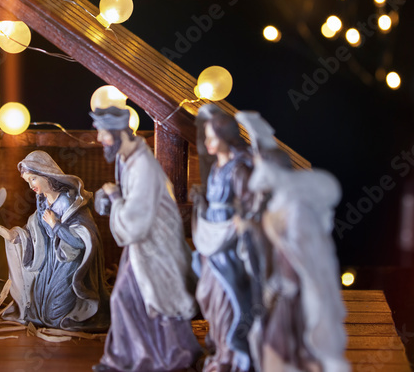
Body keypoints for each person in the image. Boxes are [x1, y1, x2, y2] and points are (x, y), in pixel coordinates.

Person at [91, 106, 201, 372]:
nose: (98, 140)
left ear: (118, 133)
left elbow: (136, 221)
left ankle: (178, 355)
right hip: (140, 246)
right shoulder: (126, 159)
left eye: (103, 133)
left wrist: (116, 199)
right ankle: (123, 357)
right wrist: (112, 197)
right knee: (126, 299)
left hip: (155, 244)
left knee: (159, 298)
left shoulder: (143, 165)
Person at [245, 128, 349, 372]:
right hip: (285, 291)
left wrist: (272, 233)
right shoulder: (281, 203)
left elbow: (305, 257)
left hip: (298, 295)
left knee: (282, 350)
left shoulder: (298, 210)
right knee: (276, 349)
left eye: (262, 168)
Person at [0, 150, 109, 331]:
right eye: (27, 181)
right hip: (48, 262)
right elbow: (34, 230)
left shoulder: (71, 203)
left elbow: (82, 240)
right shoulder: (42, 202)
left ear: (46, 175)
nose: (31, 185)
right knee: (39, 311)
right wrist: (16, 236)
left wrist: (56, 226)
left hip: (68, 262)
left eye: (33, 179)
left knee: (55, 314)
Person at [192, 105, 255, 372]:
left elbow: (251, 203)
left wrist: (243, 219)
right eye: (205, 137)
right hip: (212, 238)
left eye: (212, 137)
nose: (207, 142)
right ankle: (219, 345)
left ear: (225, 138)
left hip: (229, 242)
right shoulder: (218, 168)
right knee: (206, 293)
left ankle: (231, 354)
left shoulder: (238, 169)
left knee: (226, 296)